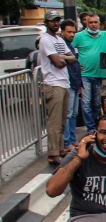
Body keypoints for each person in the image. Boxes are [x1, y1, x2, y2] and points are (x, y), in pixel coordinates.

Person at [37, 11, 77, 165]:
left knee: (62, 120)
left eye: (57, 20)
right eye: (52, 21)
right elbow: (57, 62)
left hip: (64, 82)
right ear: (46, 22)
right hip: (53, 84)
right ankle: (53, 153)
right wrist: (66, 58)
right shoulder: (45, 40)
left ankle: (60, 148)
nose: (55, 23)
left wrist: (65, 58)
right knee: (54, 121)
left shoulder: (59, 39)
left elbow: (72, 57)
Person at [60, 20, 82, 154]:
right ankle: (67, 141)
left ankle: (72, 139)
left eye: (73, 32)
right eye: (69, 32)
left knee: (73, 114)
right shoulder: (62, 45)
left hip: (75, 83)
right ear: (62, 32)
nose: (71, 34)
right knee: (68, 114)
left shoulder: (71, 46)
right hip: (67, 83)